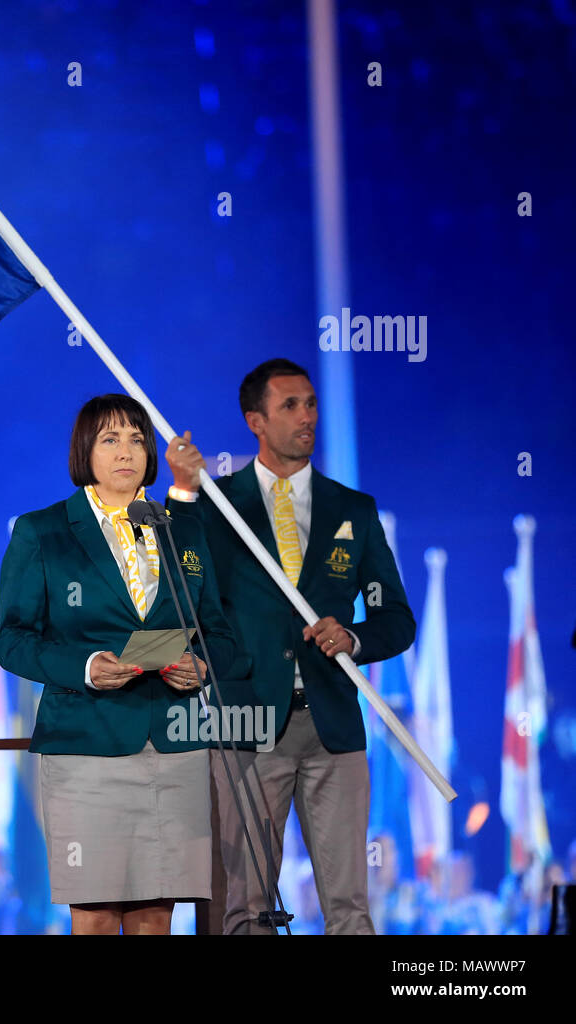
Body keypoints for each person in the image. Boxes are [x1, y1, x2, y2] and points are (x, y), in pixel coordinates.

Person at [166, 357, 416, 934]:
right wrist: (182, 491)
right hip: (249, 722)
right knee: (247, 907)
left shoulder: (354, 510)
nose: (307, 417)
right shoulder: (217, 504)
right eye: (290, 406)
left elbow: (397, 620)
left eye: (311, 404)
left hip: (335, 727)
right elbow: (180, 586)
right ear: (255, 420)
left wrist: (352, 636)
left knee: (350, 907)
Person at [0, 394, 248, 935]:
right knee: (97, 919)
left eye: (137, 438)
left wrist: (201, 665)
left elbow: (223, 636)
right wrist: (85, 666)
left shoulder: (182, 529)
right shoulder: (44, 532)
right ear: (85, 450)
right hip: (88, 747)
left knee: (157, 920)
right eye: (110, 439)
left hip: (176, 749)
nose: (126, 452)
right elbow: (11, 641)